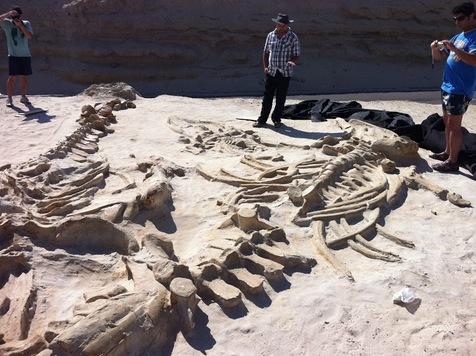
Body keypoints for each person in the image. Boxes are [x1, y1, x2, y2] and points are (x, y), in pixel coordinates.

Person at [430, 2, 476, 172]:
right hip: (447, 87)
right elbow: (440, 57)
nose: (458, 22)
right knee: (447, 123)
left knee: (455, 126)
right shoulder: (459, 36)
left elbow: (474, 60)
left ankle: (453, 161)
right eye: (455, 19)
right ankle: (447, 152)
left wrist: (454, 48)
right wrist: (434, 49)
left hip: (460, 89)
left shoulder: (474, 37)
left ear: (473, 16)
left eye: (461, 18)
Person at [253, 13, 300, 129]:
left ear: (286, 25)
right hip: (272, 71)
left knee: (280, 98)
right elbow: (265, 52)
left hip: (285, 72)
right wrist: (265, 66)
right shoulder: (270, 35)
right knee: (267, 97)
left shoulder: (293, 37)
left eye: (281, 24)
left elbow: (296, 54)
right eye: (278, 24)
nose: (279, 26)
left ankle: (276, 119)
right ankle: (262, 120)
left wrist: (292, 62)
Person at [0, 6, 33, 107]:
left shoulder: (26, 23)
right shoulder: (7, 23)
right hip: (13, 55)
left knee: (24, 77)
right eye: (12, 13)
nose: (14, 15)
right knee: (12, 77)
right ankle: (9, 98)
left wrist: (21, 26)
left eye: (15, 13)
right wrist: (7, 14)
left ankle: (23, 97)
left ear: (20, 14)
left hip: (25, 55)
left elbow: (29, 36)